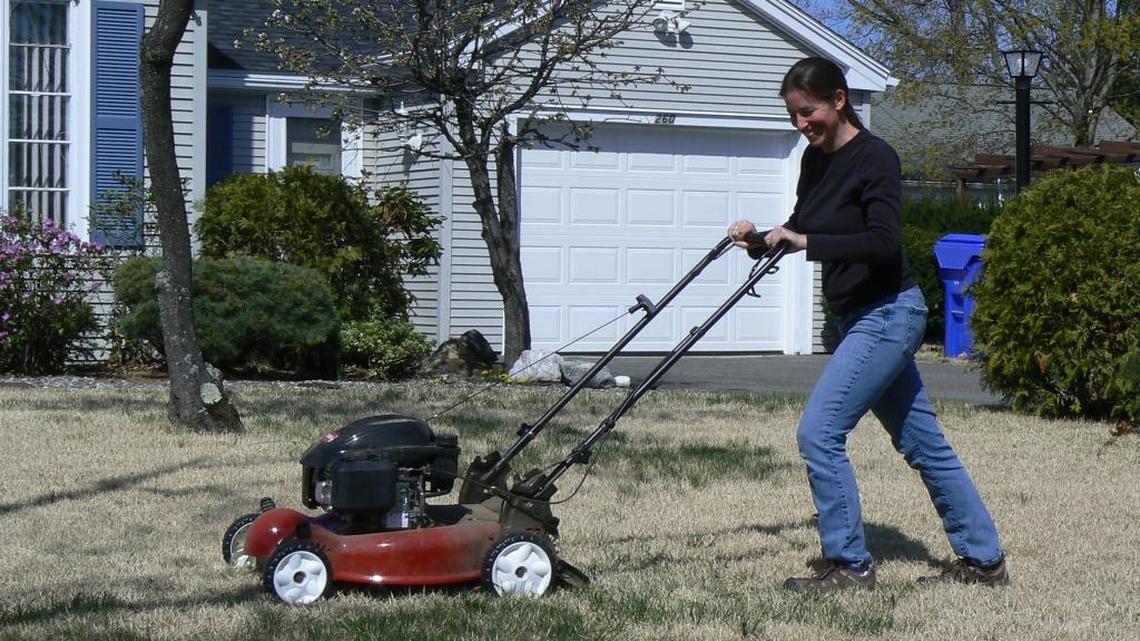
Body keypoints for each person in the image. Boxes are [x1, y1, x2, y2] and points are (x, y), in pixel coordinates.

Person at [728, 57, 1006, 593]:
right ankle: (985, 560)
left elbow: (883, 243)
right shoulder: (815, 162)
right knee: (924, 444)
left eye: (807, 112)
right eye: (792, 116)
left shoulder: (876, 157)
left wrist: (804, 241)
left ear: (838, 99)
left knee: (819, 432)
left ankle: (851, 565)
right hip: (855, 318)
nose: (801, 124)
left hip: (888, 313)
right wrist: (760, 238)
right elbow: (802, 226)